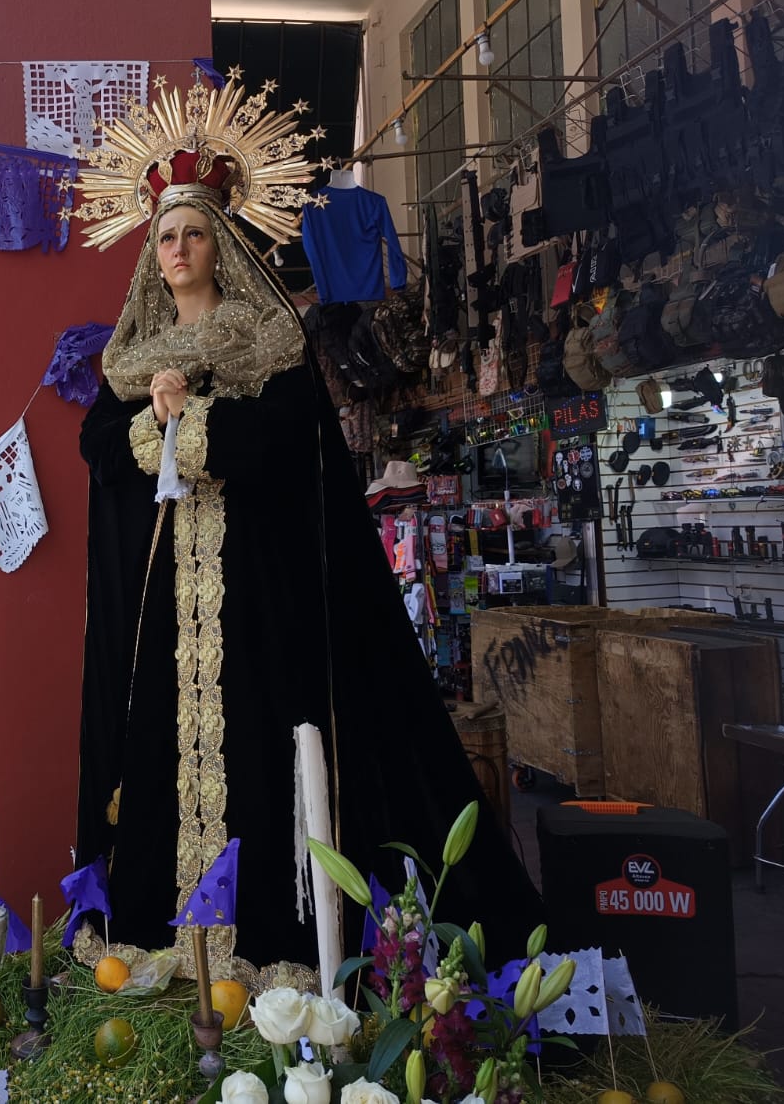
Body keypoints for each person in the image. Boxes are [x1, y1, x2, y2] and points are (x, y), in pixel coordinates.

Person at [72, 78, 541, 987]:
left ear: (221, 242)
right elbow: (97, 444)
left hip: (256, 591)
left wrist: (189, 427)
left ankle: (261, 946)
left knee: (256, 747)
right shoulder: (133, 356)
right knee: (164, 751)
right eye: (165, 236)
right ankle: (169, 937)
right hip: (167, 607)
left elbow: (289, 444)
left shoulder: (270, 341)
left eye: (195, 232)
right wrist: (147, 418)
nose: (178, 249)